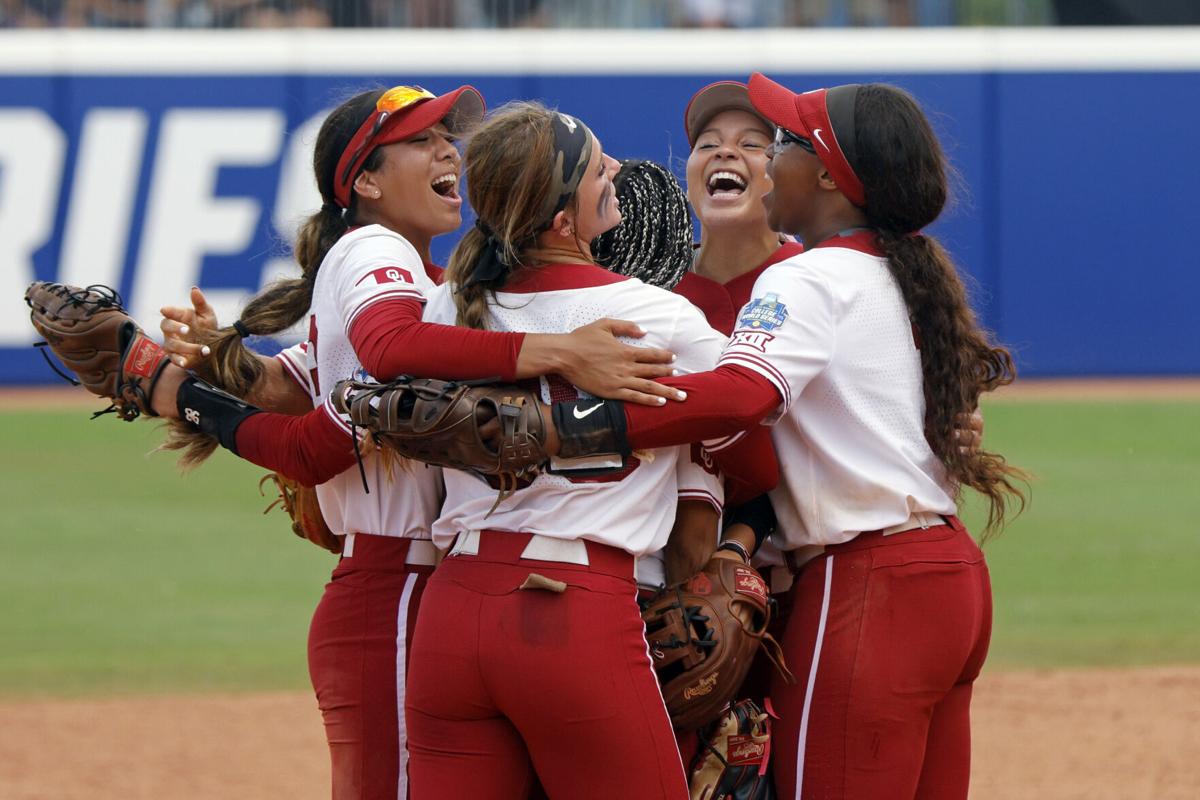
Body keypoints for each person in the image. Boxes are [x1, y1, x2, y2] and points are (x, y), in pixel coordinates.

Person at [144, 83, 684, 800]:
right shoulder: (374, 248)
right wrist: (559, 351)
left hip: (428, 597)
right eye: (421, 140)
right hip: (398, 591)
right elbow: (378, 364)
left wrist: (221, 363)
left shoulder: (438, 290)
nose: (447, 151)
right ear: (365, 181)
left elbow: (303, 385)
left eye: (447, 136)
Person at [538, 73, 1025, 799]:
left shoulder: (808, 278)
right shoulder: (901, 270)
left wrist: (575, 422)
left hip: (866, 586)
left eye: (784, 142)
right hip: (948, 578)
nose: (768, 156)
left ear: (828, 175)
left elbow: (739, 397)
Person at [397, 100, 777, 799]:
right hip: (571, 613)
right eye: (598, 166)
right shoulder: (655, 315)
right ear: (566, 221)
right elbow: (758, 451)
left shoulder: (450, 306)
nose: (615, 169)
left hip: (454, 612)